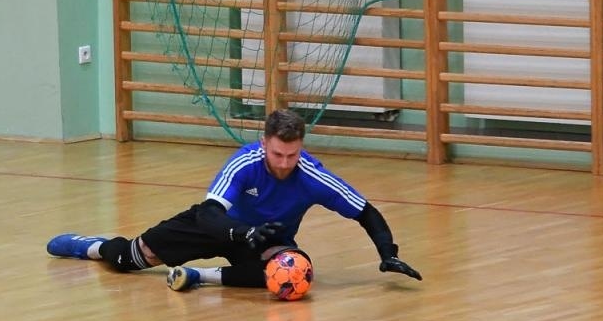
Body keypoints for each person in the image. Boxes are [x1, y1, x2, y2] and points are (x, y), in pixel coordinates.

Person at [46, 108, 423, 291]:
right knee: (131, 259)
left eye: (292, 155)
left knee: (295, 269)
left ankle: (199, 277)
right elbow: (211, 212)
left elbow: (364, 211)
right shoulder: (245, 162)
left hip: (264, 240)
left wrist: (387, 252)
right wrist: (242, 233)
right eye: (277, 154)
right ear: (264, 144)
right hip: (221, 228)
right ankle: (92, 247)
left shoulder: (312, 175)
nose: (284, 163)